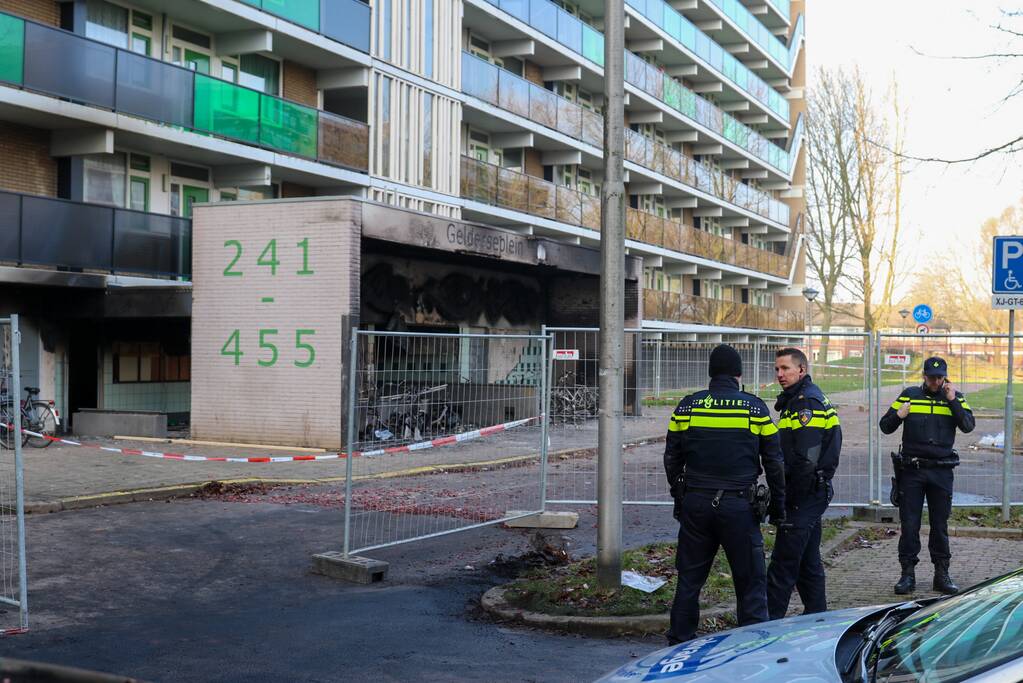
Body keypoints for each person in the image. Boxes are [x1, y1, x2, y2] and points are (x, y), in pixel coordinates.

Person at [664, 344, 786, 645]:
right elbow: (774, 462)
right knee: (750, 583)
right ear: (738, 373)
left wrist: (680, 497)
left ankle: (679, 644)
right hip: (739, 507)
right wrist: (778, 506)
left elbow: (671, 457)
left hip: (696, 503)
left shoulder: (687, 407)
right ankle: (752, 646)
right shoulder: (754, 409)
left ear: (710, 373)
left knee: (689, 580)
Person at [879, 356, 975, 595]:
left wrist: (953, 401)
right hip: (912, 471)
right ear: (924, 376)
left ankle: (941, 574)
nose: (936, 381)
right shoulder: (909, 394)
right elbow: (885, 426)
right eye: (932, 377)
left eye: (940, 377)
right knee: (910, 525)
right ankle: (907, 574)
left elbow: (968, 426)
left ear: (945, 376)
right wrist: (899, 415)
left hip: (941, 472)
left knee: (939, 525)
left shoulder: (955, 396)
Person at [766, 348, 842, 620]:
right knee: (808, 564)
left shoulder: (805, 403)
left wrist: (788, 501)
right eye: (777, 369)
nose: (779, 374)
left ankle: (764, 629)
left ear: (801, 370)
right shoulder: (799, 399)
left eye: (785, 368)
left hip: (804, 494)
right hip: (810, 492)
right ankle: (818, 619)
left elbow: (806, 461)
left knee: (782, 566)